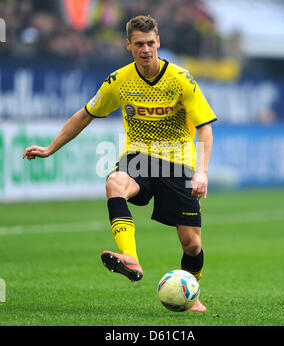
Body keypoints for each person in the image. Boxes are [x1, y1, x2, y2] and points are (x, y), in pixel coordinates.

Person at [23, 15, 217, 312]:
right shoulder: (119, 80)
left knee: (191, 243)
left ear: (159, 42)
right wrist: (51, 148)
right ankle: (130, 257)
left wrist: (202, 170)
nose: (146, 49)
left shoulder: (180, 79)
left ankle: (191, 296)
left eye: (151, 43)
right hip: (138, 157)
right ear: (129, 45)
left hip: (178, 162)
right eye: (139, 44)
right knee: (114, 183)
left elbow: (205, 126)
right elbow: (86, 114)